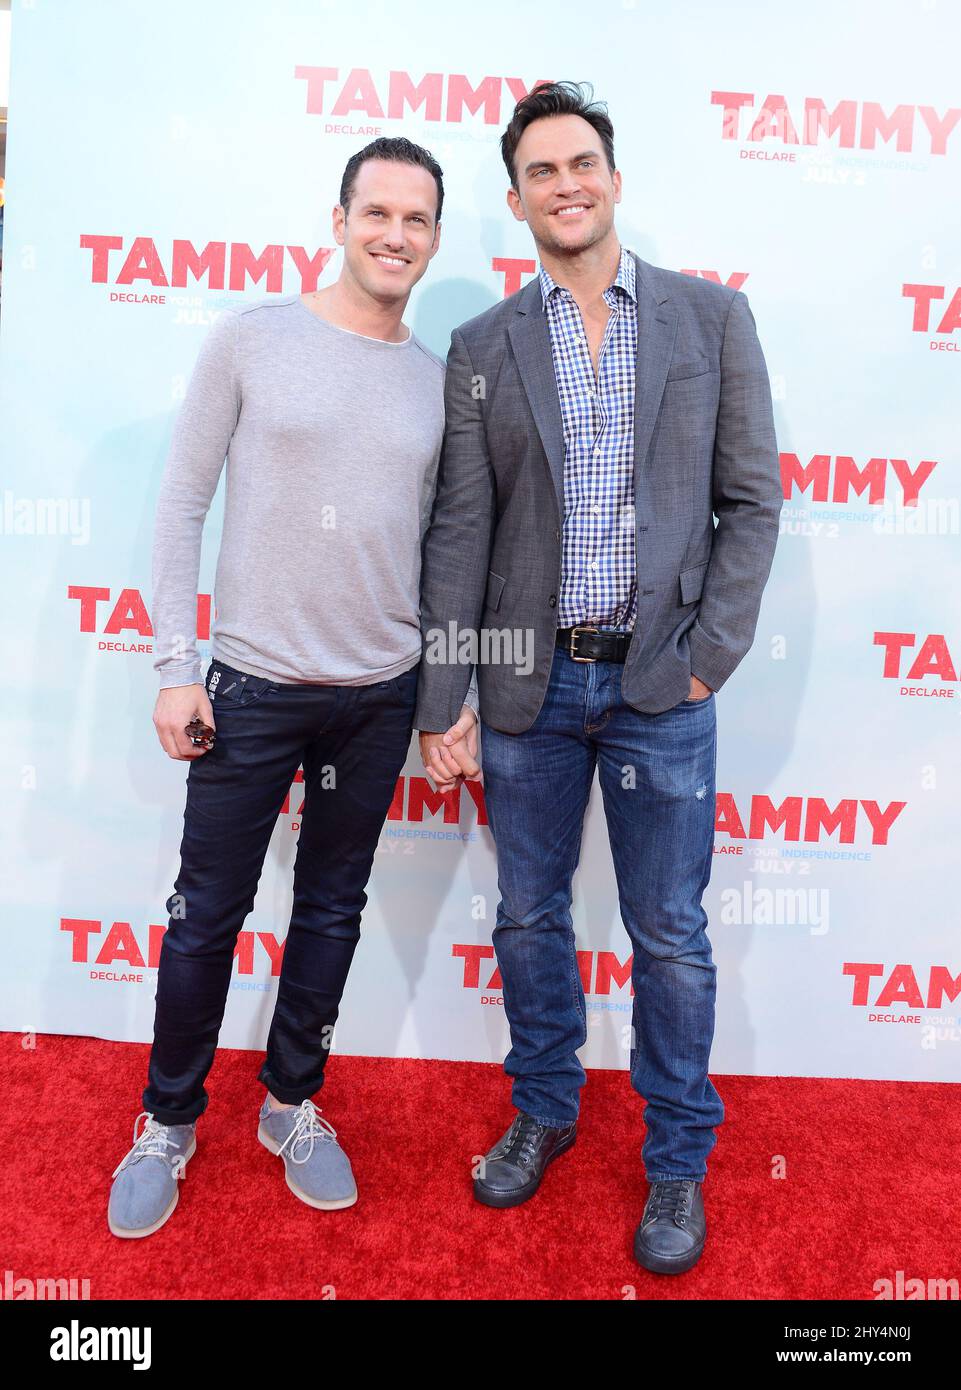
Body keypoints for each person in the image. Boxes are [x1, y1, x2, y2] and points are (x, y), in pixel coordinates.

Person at [416, 81, 781, 1274]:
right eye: (542, 172)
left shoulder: (709, 321)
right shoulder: (480, 349)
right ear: (516, 198)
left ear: (613, 180)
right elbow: (462, 533)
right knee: (526, 916)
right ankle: (546, 1109)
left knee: (668, 935)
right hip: (525, 692)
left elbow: (749, 501)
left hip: (658, 692)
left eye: (584, 164)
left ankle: (677, 1162)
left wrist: (707, 661)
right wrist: (446, 694)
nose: (566, 185)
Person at [109, 136, 476, 1238]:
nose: (395, 235)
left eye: (416, 220)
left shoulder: (434, 384)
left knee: (331, 910)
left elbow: (444, 545)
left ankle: (290, 1103)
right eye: (378, 213)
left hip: (376, 695)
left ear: (435, 238)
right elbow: (179, 506)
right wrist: (177, 667)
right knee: (204, 916)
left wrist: (435, 695)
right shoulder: (252, 340)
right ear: (339, 218)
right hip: (252, 686)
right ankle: (166, 1122)